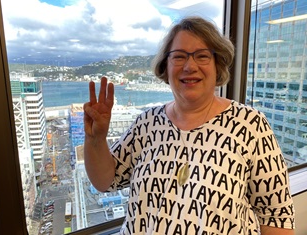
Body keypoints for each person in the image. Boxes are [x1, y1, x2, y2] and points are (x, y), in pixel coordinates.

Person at [83, 16, 295, 235]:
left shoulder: (250, 125)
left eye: (202, 56)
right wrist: (95, 140)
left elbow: (277, 216)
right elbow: (104, 181)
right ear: (166, 66)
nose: (190, 66)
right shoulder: (146, 123)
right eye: (179, 56)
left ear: (218, 65)